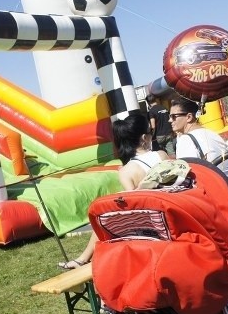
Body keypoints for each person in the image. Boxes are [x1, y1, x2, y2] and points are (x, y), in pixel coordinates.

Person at [57, 113, 168, 269]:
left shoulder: (126, 171)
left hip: (151, 225)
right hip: (170, 214)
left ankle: (82, 259)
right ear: (144, 137)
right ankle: (81, 259)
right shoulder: (162, 155)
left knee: (103, 220)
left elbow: (134, 207)